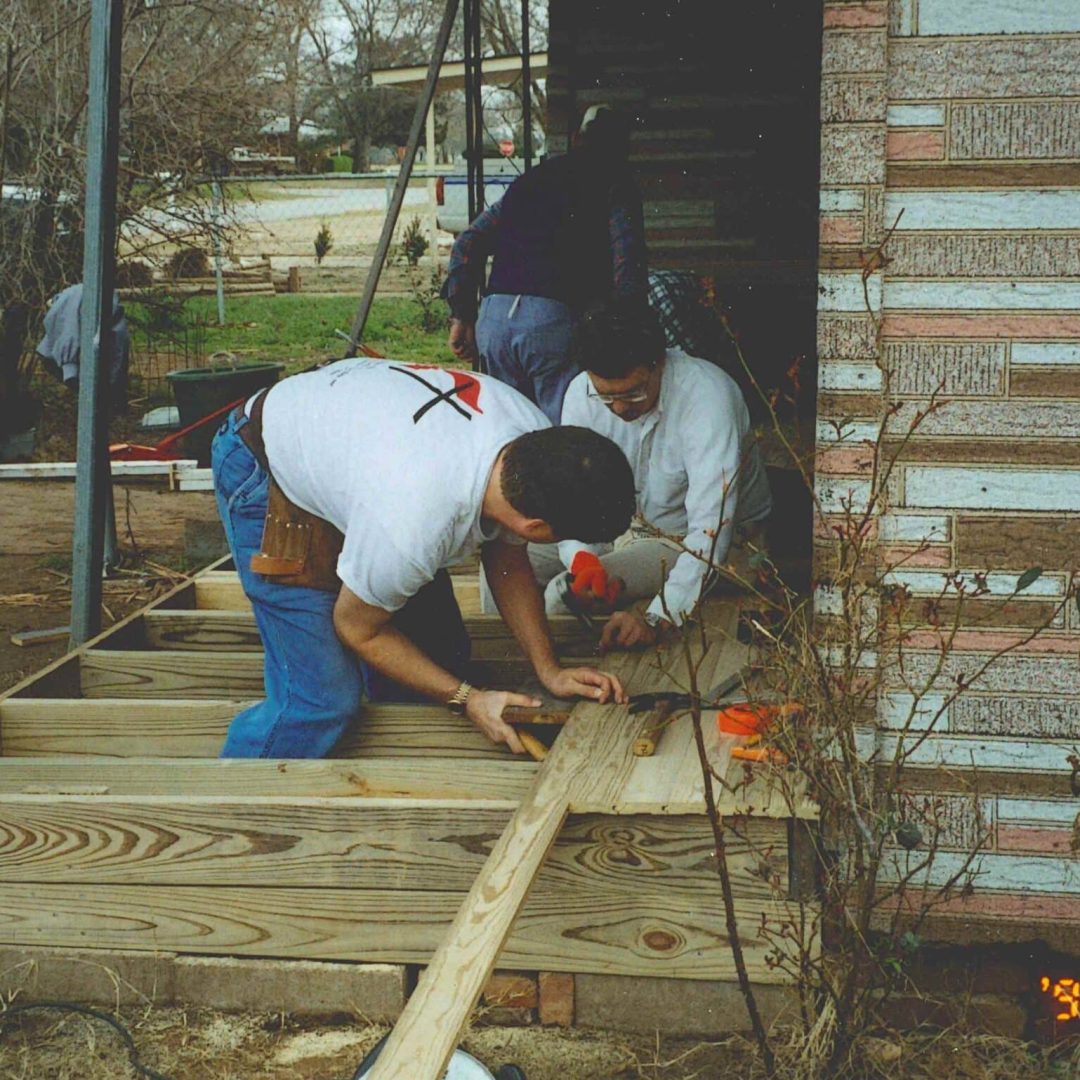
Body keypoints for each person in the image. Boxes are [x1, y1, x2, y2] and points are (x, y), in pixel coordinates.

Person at [211, 356, 636, 759]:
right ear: (537, 527)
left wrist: (549, 670)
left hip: (357, 447)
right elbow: (357, 628)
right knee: (319, 705)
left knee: (436, 664)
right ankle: (232, 806)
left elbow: (507, 559)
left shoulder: (530, 441)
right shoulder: (414, 523)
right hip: (264, 459)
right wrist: (470, 700)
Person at [525, 299, 772, 652]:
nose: (621, 408)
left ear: (659, 362)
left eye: (633, 392)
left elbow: (710, 531)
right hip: (626, 528)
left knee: (559, 596)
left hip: (701, 541)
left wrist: (659, 617)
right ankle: (512, 669)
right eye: (608, 397)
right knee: (512, 552)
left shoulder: (706, 397)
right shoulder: (583, 391)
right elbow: (574, 497)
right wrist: (582, 556)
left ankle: (582, 681)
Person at [443, 104, 647, 424]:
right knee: (559, 433)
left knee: (507, 428)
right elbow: (628, 260)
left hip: (494, 322)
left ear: (577, 137)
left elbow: (468, 242)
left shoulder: (530, 181)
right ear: (624, 145)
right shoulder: (615, 183)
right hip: (552, 323)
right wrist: (627, 333)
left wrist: (462, 314)